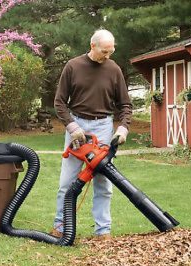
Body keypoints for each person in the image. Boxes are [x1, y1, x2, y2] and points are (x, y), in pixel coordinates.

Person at [51, 29, 132, 240]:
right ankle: (60, 225)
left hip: (103, 127)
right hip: (77, 126)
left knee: (104, 182)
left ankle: (103, 231)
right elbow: (59, 102)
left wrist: (123, 127)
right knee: (67, 182)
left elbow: (125, 104)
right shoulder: (73, 66)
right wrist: (72, 127)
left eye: (111, 51)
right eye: (104, 51)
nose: (108, 56)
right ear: (92, 46)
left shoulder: (114, 69)